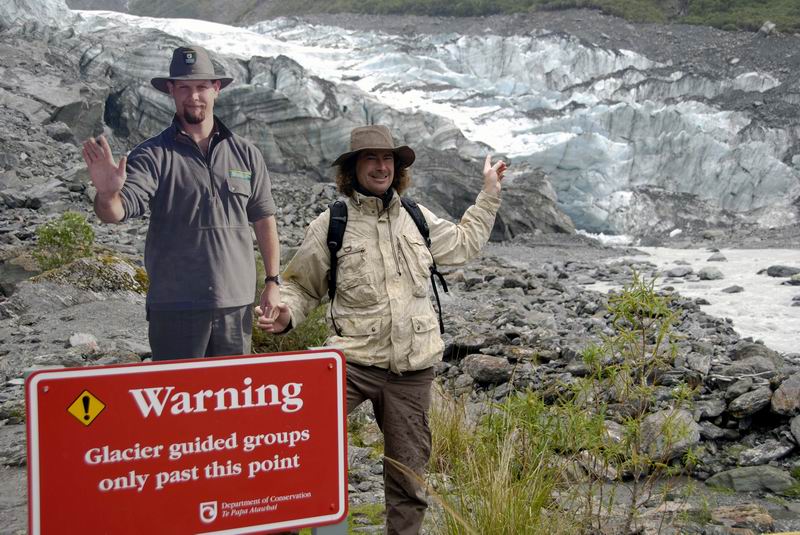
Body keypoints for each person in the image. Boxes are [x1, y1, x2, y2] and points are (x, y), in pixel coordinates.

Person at [257, 125, 506, 534]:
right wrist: (285, 315)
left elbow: (462, 244)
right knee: (303, 447)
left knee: (409, 480)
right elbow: (301, 286)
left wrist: (489, 194)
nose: (381, 166)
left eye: (388, 158)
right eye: (370, 158)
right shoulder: (331, 224)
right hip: (350, 365)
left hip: (411, 371)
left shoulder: (416, 217)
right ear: (353, 168)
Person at [82, 45, 280, 361]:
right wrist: (107, 195)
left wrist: (272, 281)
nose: (194, 96)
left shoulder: (246, 153)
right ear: (171, 91)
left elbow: (264, 217)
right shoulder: (152, 155)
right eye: (185, 88)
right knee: (178, 403)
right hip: (176, 308)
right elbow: (119, 211)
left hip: (235, 306)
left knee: (231, 405)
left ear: (216, 89)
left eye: (202, 86)